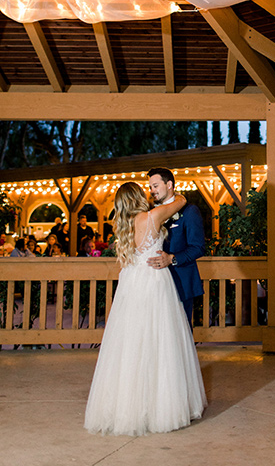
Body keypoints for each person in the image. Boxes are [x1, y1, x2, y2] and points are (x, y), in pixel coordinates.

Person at [84, 181, 206, 436]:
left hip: (131, 283)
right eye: (144, 190)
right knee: (160, 341)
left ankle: (128, 406)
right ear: (137, 197)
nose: (148, 192)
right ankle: (160, 406)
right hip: (153, 281)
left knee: (131, 343)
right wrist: (173, 194)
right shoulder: (151, 217)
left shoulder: (123, 224)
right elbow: (181, 201)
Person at [146, 167, 206, 325]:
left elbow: (198, 247)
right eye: (150, 187)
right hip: (156, 282)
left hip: (181, 281)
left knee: (181, 332)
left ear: (169, 184)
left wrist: (172, 259)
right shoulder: (152, 213)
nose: (152, 190)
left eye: (156, 185)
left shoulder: (189, 211)